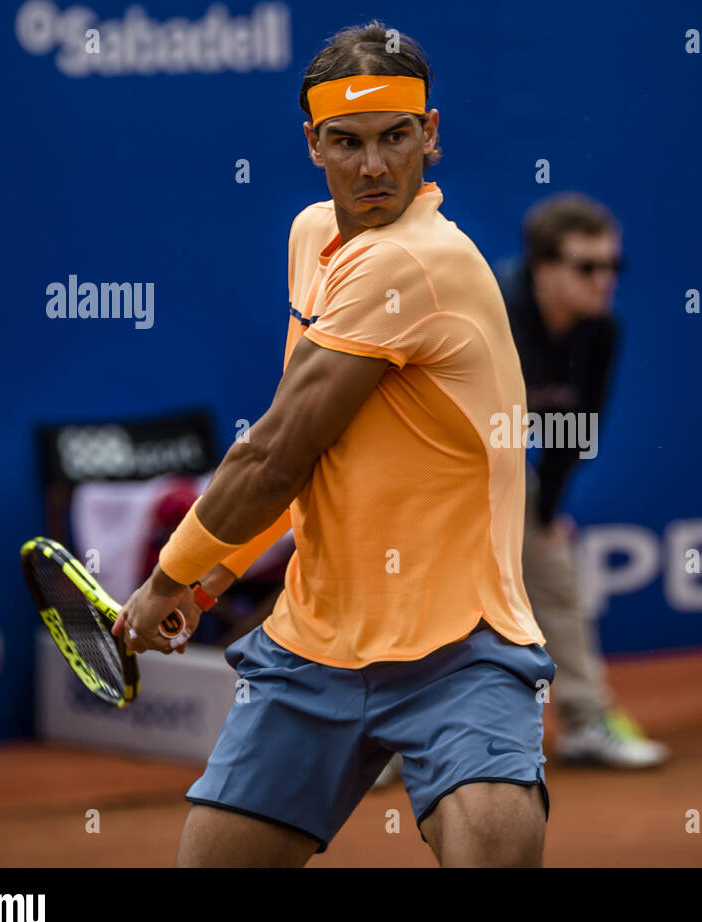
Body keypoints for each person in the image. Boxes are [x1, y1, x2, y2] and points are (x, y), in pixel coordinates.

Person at [112, 21, 555, 868]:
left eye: (395, 138)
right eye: (346, 143)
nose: (374, 167)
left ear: (431, 134)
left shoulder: (418, 261)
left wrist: (162, 579)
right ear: (312, 144)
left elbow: (271, 453)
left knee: (496, 854)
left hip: (459, 648)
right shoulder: (312, 237)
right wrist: (210, 580)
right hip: (314, 643)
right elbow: (314, 458)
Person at [496, 194, 669, 769]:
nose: (604, 280)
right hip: (435, 460)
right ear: (544, 271)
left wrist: (546, 515)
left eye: (612, 266)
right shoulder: (491, 312)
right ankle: (390, 742)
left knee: (553, 569)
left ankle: (586, 721)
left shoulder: (602, 331)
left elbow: (576, 432)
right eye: (587, 267)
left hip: (507, 464)